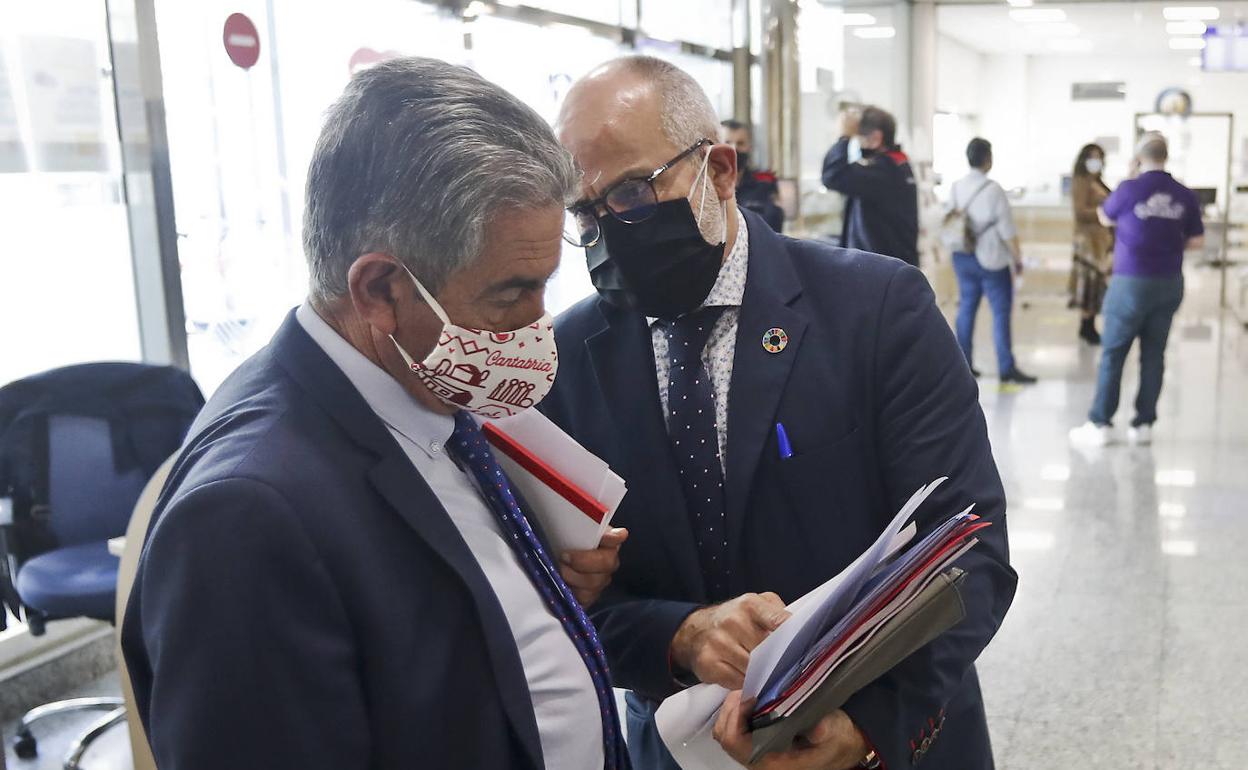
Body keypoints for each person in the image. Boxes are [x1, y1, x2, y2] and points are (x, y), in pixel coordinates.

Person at [121, 57, 630, 770]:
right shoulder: (247, 518)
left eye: (546, 286)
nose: (537, 325)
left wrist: (538, 580)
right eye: (511, 293)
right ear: (381, 289)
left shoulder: (427, 392)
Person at [546, 56, 1016, 770]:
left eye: (634, 193)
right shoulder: (570, 354)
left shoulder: (876, 310)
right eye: (584, 213)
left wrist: (866, 728)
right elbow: (566, 594)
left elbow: (969, 553)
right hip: (682, 749)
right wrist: (682, 636)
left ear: (722, 172)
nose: (609, 230)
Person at [1070, 132, 1203, 447]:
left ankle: (1100, 423)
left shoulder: (1129, 189)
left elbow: (1104, 217)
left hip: (1130, 281)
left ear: (1139, 157)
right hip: (1169, 282)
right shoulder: (1185, 194)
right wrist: (1167, 244)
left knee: (1114, 352)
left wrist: (1129, 178)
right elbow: (1197, 241)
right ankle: (1143, 426)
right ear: (1166, 156)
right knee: (1154, 354)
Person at [949, 138, 1036, 385]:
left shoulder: (956, 187)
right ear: (988, 159)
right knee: (1000, 313)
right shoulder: (994, 190)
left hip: (962, 256)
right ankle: (1006, 368)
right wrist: (1018, 260)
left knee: (966, 308)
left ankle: (963, 365)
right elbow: (1008, 231)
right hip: (992, 260)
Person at [821, 105, 919, 266]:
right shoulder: (897, 164)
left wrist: (844, 137)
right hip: (891, 266)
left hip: (881, 271)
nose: (857, 144)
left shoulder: (884, 171)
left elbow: (833, 176)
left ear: (875, 138)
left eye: (859, 138)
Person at [1070, 143, 1114, 344]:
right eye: (1092, 157)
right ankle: (1086, 327)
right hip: (1088, 243)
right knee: (1089, 284)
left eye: (1099, 157)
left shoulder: (1097, 181)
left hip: (1100, 243)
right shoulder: (1081, 181)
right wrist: (1101, 213)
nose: (1096, 161)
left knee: (1096, 285)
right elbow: (1079, 212)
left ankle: (1089, 324)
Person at [720, 118, 785, 232]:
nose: (734, 149)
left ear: (749, 147)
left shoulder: (765, 182)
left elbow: (773, 224)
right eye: (728, 142)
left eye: (740, 143)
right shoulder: (705, 184)